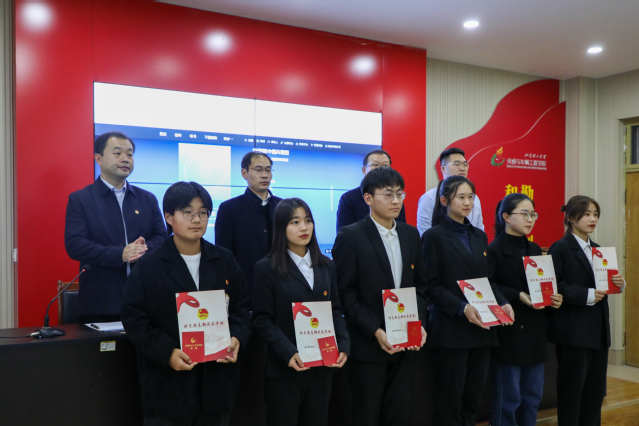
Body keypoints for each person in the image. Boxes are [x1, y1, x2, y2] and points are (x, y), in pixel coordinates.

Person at [121, 181, 251, 426]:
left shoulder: (224, 259)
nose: (197, 219)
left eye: (203, 212)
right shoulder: (150, 265)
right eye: (187, 212)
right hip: (169, 384)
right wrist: (167, 353)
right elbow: (134, 318)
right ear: (169, 217)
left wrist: (237, 338)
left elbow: (241, 307)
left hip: (216, 382)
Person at [333, 167, 427, 426]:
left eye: (400, 194)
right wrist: (375, 330)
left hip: (406, 344)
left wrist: (419, 323)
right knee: (366, 414)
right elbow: (345, 293)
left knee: (399, 414)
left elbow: (421, 286)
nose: (396, 201)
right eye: (388, 194)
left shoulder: (410, 235)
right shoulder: (350, 236)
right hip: (368, 345)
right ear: (368, 198)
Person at [421, 175, 513, 426]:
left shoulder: (479, 236)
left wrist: (503, 302)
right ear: (444, 201)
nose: (467, 203)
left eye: (471, 197)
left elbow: (488, 279)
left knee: (473, 397)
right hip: (451, 329)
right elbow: (430, 285)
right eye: (460, 197)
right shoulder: (433, 236)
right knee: (450, 399)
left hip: (482, 328)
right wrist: (461, 307)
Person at [252, 198, 350, 426]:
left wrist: (343, 345)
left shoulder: (326, 265)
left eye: (308, 221)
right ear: (281, 228)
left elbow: (335, 308)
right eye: (295, 222)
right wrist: (288, 352)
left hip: (322, 366)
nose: (304, 227)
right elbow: (262, 319)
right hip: (285, 368)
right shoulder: (266, 268)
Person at [65, 131, 167, 324]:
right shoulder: (81, 199)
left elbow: (162, 238)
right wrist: (120, 254)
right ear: (98, 158)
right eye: (118, 153)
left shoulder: (147, 198)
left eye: (129, 154)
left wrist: (142, 249)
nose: (125, 159)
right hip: (101, 300)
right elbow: (75, 245)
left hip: (145, 298)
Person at [547, 196, 625, 426]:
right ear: (571, 218)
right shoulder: (561, 247)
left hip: (598, 331)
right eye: (587, 214)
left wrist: (619, 283)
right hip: (573, 331)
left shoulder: (599, 250)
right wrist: (586, 294)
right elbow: (553, 286)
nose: (593, 219)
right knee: (572, 392)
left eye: (595, 214)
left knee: (595, 392)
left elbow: (605, 284)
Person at [488, 193, 563, 426]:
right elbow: (489, 285)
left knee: (532, 397)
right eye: (524, 214)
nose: (530, 219)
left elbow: (544, 284)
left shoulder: (535, 248)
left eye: (533, 214)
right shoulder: (494, 249)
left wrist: (554, 297)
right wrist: (517, 295)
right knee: (508, 398)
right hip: (509, 330)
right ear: (506, 216)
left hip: (534, 330)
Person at [215, 151, 282, 294]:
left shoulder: (283, 207)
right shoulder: (229, 208)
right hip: (245, 288)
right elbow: (224, 255)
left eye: (268, 170)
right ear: (244, 173)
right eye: (258, 170)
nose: (264, 175)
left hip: (281, 286)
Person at [417, 147, 484, 236]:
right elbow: (424, 234)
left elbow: (479, 231)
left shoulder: (474, 198)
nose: (462, 168)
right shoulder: (429, 198)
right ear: (443, 169)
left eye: (465, 164)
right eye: (457, 164)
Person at [336, 149, 406, 231]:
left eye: (385, 166)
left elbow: (401, 229)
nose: (381, 169)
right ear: (364, 170)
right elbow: (344, 232)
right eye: (375, 165)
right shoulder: (349, 198)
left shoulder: (396, 198)